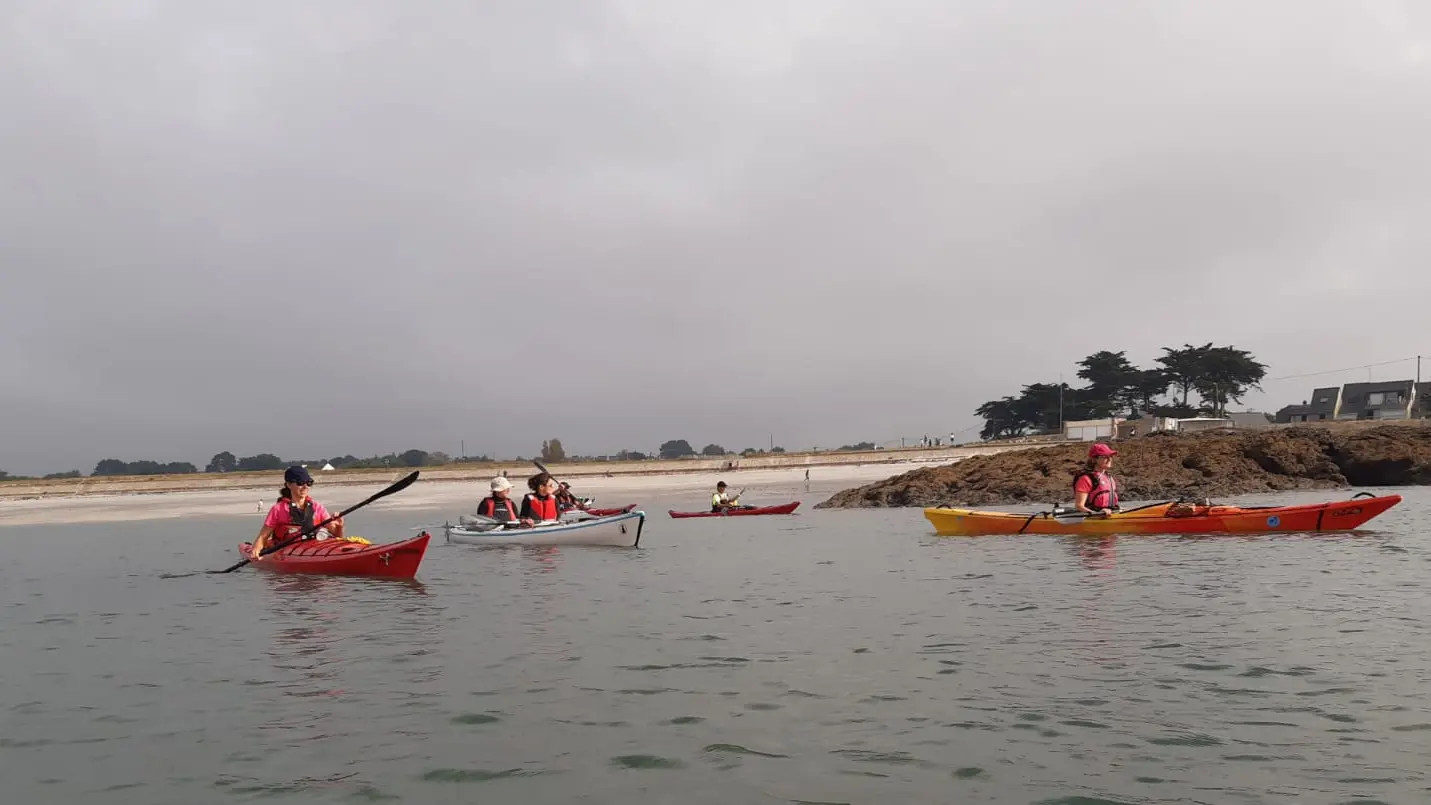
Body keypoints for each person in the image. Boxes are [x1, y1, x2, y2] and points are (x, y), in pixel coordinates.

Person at [251, 465, 343, 557]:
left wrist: (339, 527)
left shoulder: (317, 507)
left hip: (315, 548)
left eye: (309, 482)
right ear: (288, 484)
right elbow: (263, 536)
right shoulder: (278, 509)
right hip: (287, 551)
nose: (305, 486)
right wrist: (256, 550)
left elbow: (337, 537)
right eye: (300, 483)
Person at [1073, 443, 1121, 517]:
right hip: (1093, 518)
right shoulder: (1086, 479)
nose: (1110, 459)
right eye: (1105, 457)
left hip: (1110, 515)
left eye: (1110, 456)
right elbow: (1079, 506)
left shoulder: (1108, 477)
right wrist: (1096, 514)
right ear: (1094, 459)